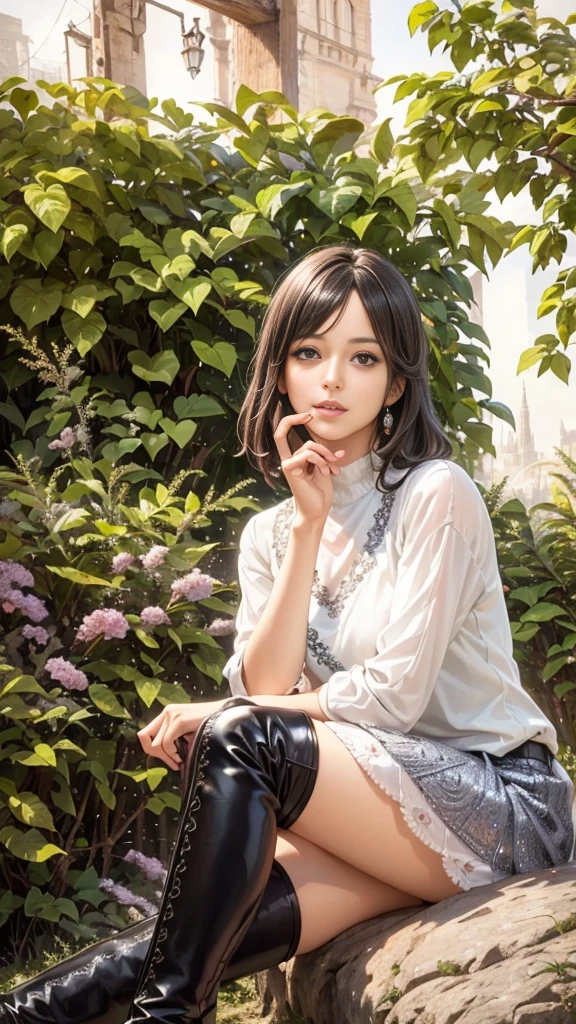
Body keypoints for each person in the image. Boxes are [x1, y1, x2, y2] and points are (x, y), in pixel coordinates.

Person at [2, 244, 574, 1024]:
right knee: (193, 933)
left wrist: (214, 713)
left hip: (504, 802)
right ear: (282, 369)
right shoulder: (271, 533)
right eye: (310, 352)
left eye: (362, 356)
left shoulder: (437, 494)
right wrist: (307, 528)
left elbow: (391, 699)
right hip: (386, 813)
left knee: (239, 739)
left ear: (396, 380)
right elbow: (266, 687)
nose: (333, 378)